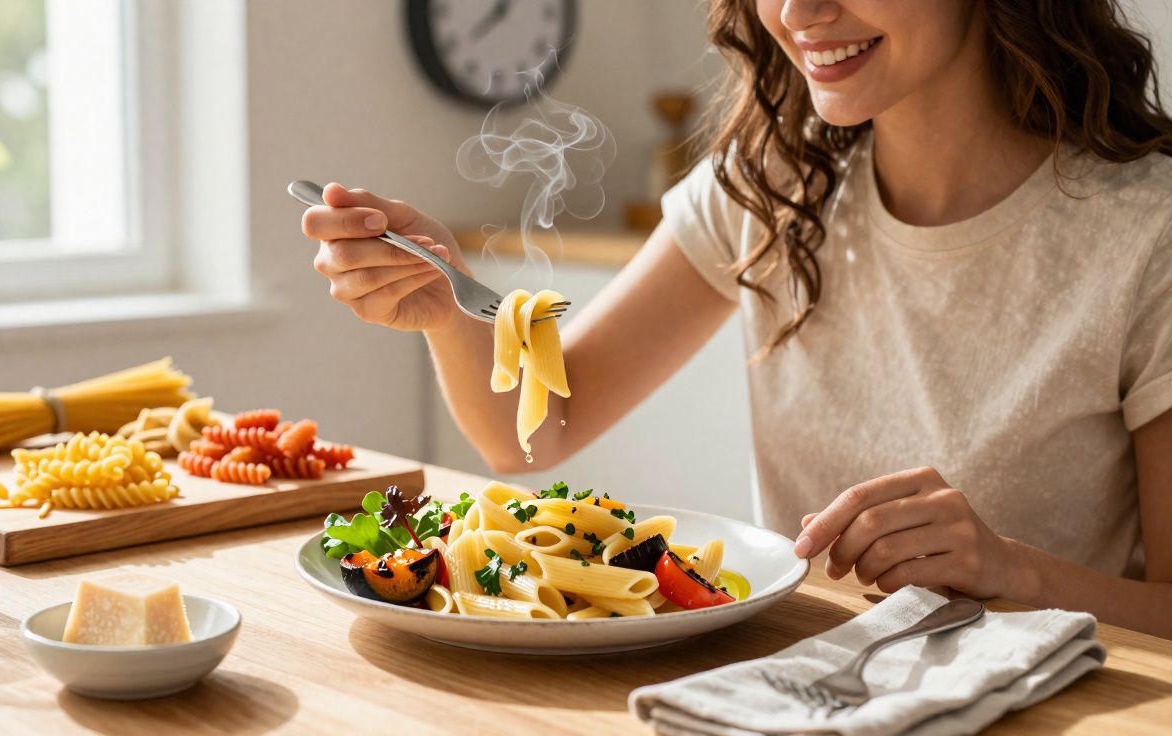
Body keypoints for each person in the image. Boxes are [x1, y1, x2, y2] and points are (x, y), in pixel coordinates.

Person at [301, 0, 1172, 637]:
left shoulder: (1147, 231)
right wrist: (447, 305)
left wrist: (1012, 570)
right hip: (798, 689)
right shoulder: (769, 187)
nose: (797, 12)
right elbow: (533, 431)